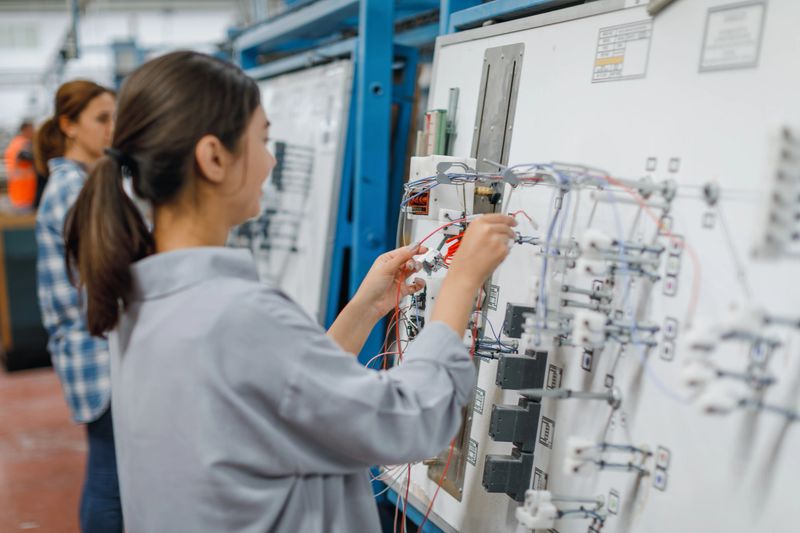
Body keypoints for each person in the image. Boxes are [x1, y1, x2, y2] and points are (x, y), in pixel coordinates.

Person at [64, 51, 517, 532]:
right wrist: (460, 286)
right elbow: (408, 422)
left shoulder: (141, 299)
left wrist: (364, 309)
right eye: (262, 138)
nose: (271, 159)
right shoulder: (234, 314)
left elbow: (273, 401)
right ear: (213, 157)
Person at [34, 80, 122, 532]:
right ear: (69, 126)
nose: (112, 128)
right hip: (97, 353)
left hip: (92, 348)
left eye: (114, 117)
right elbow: (99, 284)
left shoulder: (83, 184)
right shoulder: (74, 190)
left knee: (113, 474)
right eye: (101, 119)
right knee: (111, 479)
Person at [4, 120, 37, 209]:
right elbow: (24, 156)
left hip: (17, 177)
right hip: (23, 178)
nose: (33, 131)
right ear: (25, 130)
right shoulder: (24, 142)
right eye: (31, 129)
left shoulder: (16, 141)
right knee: (22, 204)